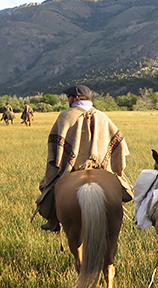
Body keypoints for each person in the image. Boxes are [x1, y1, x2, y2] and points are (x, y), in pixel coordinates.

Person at [35, 85, 133, 232]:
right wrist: (115, 169)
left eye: (69, 97)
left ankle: (53, 220)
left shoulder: (65, 115)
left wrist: (55, 171)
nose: (67, 99)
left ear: (75, 97)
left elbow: (56, 146)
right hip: (101, 168)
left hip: (72, 168)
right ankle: (119, 215)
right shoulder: (102, 116)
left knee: (49, 188)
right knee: (121, 189)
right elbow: (118, 140)